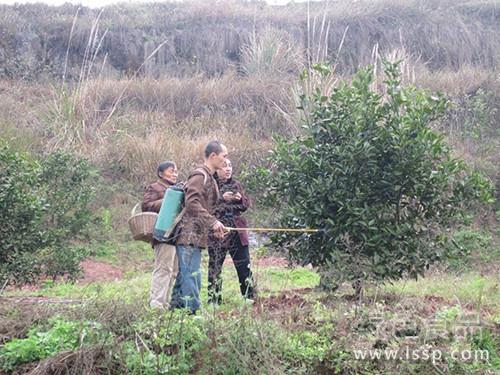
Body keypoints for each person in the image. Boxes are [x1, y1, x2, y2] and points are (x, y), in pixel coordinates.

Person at [169, 140, 227, 313]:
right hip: (188, 234)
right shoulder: (199, 175)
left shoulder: (210, 177)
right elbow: (192, 202)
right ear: (213, 156)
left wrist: (213, 228)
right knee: (192, 275)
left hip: (198, 235)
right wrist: (213, 222)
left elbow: (205, 207)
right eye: (224, 156)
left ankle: (174, 312)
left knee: (184, 275)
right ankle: (192, 312)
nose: (226, 160)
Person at [208, 158, 255, 304]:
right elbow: (205, 207)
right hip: (218, 231)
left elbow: (246, 204)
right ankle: (214, 300)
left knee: (244, 265)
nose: (228, 169)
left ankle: (249, 297)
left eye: (230, 166)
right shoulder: (210, 184)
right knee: (215, 267)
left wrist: (240, 199)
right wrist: (222, 198)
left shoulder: (236, 184)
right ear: (216, 168)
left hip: (237, 231)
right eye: (223, 166)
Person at [142, 161, 179, 309]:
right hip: (162, 232)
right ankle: (156, 302)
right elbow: (146, 206)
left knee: (174, 270)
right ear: (161, 173)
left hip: (176, 233)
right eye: (171, 171)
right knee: (163, 268)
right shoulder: (155, 187)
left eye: (176, 171)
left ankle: (165, 301)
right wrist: (167, 200)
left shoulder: (177, 189)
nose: (175, 174)